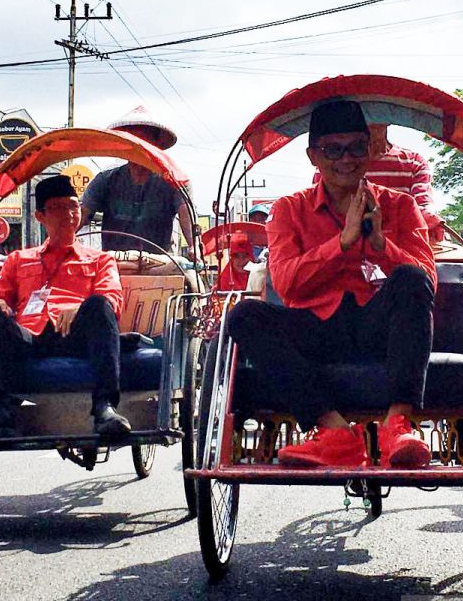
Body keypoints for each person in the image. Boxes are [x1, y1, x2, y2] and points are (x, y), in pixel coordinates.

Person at [225, 99, 437, 468]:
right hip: (316, 327)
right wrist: (341, 243)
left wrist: (379, 245)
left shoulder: (400, 206)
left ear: (369, 151)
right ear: (314, 157)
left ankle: (398, 424)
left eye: (356, 147)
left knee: (411, 277)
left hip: (376, 328)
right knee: (243, 315)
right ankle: (334, 432)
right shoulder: (289, 209)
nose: (346, 159)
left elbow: (426, 282)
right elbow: (288, 284)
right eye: (332, 150)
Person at [0, 176, 130, 438]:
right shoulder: (19, 259)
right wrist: (0, 304)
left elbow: (111, 297)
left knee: (99, 304)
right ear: (40, 216)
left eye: (74, 206)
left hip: (73, 336)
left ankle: (104, 407)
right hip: (28, 338)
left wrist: (79, 307)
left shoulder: (101, 259)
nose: (70, 214)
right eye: (59, 208)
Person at [81, 106, 197, 258]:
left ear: (156, 148)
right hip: (113, 264)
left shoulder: (174, 182)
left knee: (193, 281)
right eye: (133, 144)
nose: (139, 150)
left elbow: (186, 216)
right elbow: (82, 214)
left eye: (145, 144)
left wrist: (194, 246)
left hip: (159, 263)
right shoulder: (105, 181)